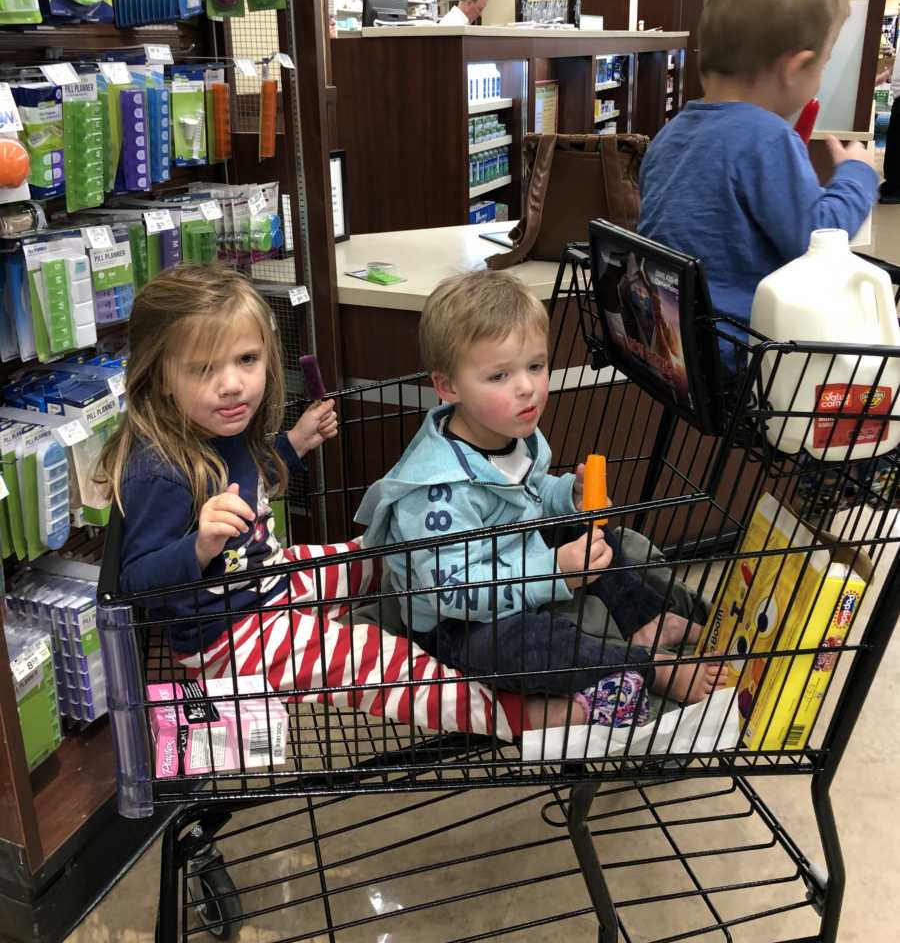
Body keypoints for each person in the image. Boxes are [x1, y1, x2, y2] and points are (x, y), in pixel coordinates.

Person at [97, 265, 529, 742]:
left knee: (389, 552)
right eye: (204, 369)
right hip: (229, 638)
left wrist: (294, 444)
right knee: (379, 662)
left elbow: (252, 477)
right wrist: (198, 547)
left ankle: (469, 589)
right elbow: (133, 586)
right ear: (160, 377)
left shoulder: (217, 424)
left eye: (246, 359)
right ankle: (526, 718)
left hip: (270, 578)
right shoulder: (158, 471)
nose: (233, 384)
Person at [356, 270, 726, 730]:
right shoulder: (437, 493)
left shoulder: (513, 433)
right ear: (448, 387)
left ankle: (645, 617)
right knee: (524, 643)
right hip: (456, 623)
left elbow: (530, 492)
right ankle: (646, 665)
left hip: (515, 561)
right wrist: (554, 574)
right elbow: (453, 592)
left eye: (536, 366)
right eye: (500, 375)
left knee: (595, 533)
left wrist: (565, 495)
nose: (527, 387)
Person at [638, 0, 879, 329]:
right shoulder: (767, 139)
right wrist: (857, 174)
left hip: (675, 341)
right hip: (741, 353)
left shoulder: (670, 134)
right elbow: (818, 238)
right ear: (796, 67)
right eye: (824, 65)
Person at [879, 43, 900, 204]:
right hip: (898, 95)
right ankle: (892, 182)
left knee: (897, 142)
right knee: (894, 140)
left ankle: (896, 186)